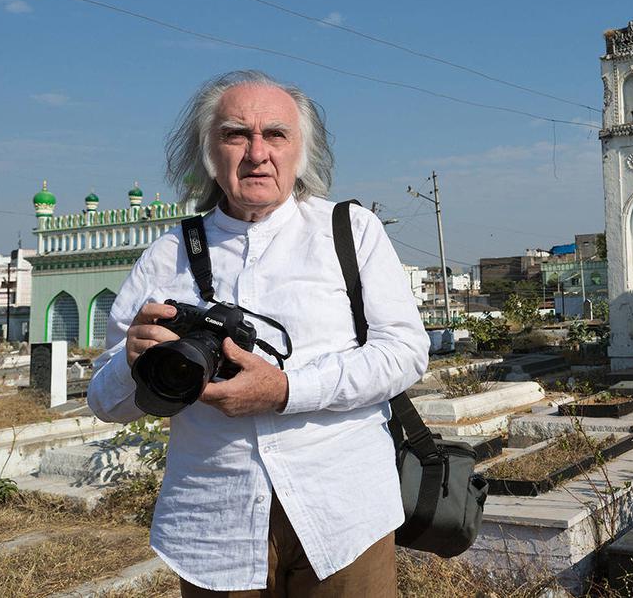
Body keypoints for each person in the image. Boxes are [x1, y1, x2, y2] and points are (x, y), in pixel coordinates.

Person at [87, 69, 429, 597]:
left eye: (275, 134)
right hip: (213, 524)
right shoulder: (168, 254)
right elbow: (107, 403)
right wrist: (134, 362)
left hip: (343, 515)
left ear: (300, 151)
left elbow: (404, 353)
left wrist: (287, 391)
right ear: (208, 151)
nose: (256, 153)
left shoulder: (349, 231)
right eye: (235, 134)